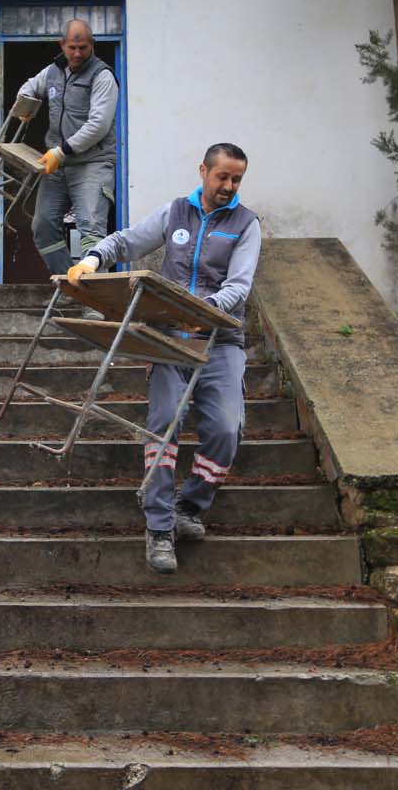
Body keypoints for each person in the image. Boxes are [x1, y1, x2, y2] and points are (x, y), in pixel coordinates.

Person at [66, 143, 262, 573]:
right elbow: (128, 241)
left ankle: (188, 507)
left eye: (236, 180)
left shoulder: (247, 225)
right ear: (203, 172)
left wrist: (202, 314)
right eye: (222, 177)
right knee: (163, 425)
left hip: (220, 340)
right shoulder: (175, 213)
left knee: (226, 430)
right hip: (167, 337)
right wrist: (93, 259)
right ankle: (158, 528)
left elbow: (239, 286)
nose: (229, 186)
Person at [12, 19, 119, 275]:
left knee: (91, 232)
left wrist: (62, 151)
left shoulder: (102, 76)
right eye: (72, 47)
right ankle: (70, 285)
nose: (77, 53)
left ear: (92, 45)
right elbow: (28, 87)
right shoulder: (53, 71)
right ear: (63, 44)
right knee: (43, 226)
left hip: (92, 163)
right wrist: (25, 106)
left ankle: (94, 307)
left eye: (83, 47)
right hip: (58, 165)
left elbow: (98, 125)